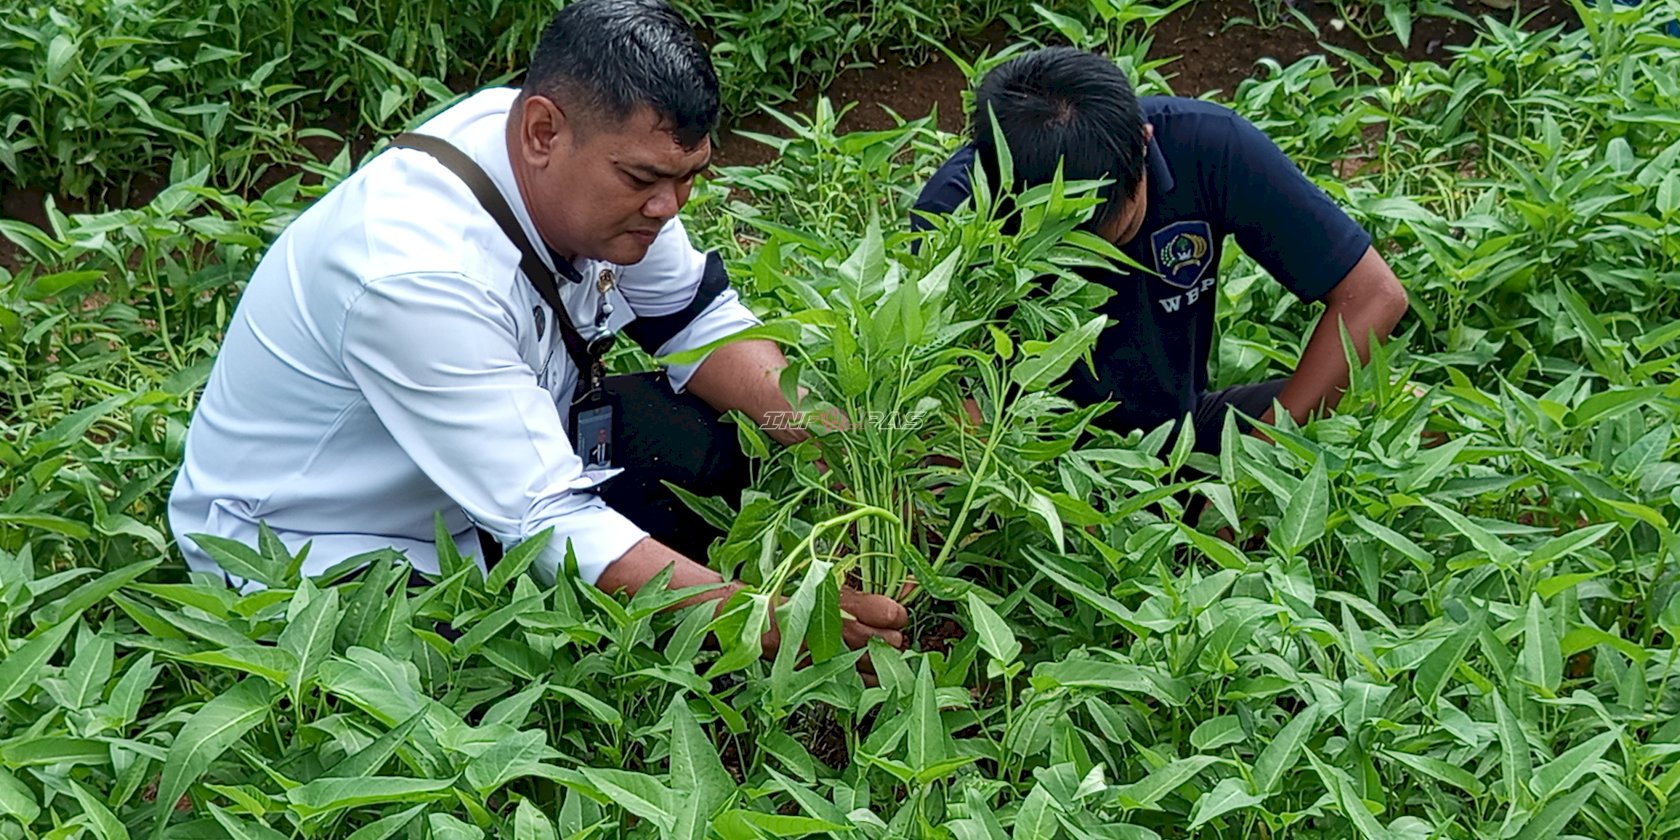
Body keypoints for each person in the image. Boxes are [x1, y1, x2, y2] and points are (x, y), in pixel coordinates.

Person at [167, 0, 906, 659]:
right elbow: (547, 520)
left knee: (710, 443)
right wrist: (771, 620)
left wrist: (846, 439)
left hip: (484, 477)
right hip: (323, 543)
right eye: (643, 181)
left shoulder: (572, 156)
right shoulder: (415, 274)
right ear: (543, 131)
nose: (669, 207)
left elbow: (696, 320)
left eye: (689, 178)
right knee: (490, 670)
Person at [912, 47, 1409, 455]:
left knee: (1402, 412)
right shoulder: (955, 215)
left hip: (1181, 431)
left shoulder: (1209, 146)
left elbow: (1373, 295)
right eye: (1060, 245)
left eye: (1117, 231)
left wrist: (1256, 465)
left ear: (1144, 144)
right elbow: (953, 401)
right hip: (1035, 455)